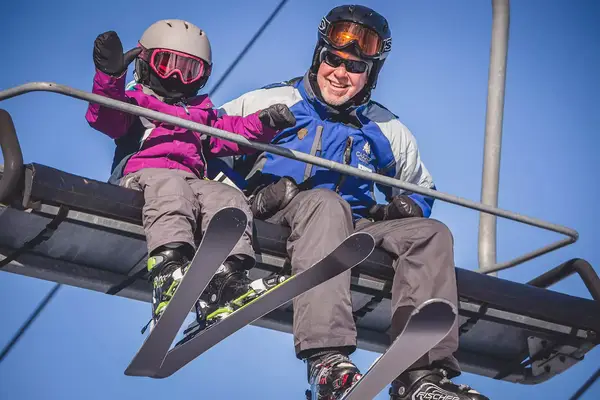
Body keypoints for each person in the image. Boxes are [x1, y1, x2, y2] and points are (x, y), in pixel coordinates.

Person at [217, 5, 489, 400]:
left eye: (356, 67)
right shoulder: (273, 101)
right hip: (279, 216)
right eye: (334, 60)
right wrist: (250, 202)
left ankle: (421, 376)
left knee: (431, 234)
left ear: (371, 74)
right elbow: (207, 151)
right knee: (326, 203)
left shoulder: (384, 127)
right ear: (318, 56)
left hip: (352, 228)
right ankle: (327, 360)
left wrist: (406, 207)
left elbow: (420, 187)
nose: (341, 74)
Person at [85, 19, 296, 330]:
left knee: (228, 196)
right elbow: (106, 116)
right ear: (145, 64)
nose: (176, 77)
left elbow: (233, 133)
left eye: (189, 70)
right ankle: (169, 268)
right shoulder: (136, 104)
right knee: (172, 186)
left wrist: (265, 123)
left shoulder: (200, 115)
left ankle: (227, 279)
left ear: (202, 77)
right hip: (142, 178)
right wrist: (110, 78)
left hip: (191, 182)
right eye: (167, 64)